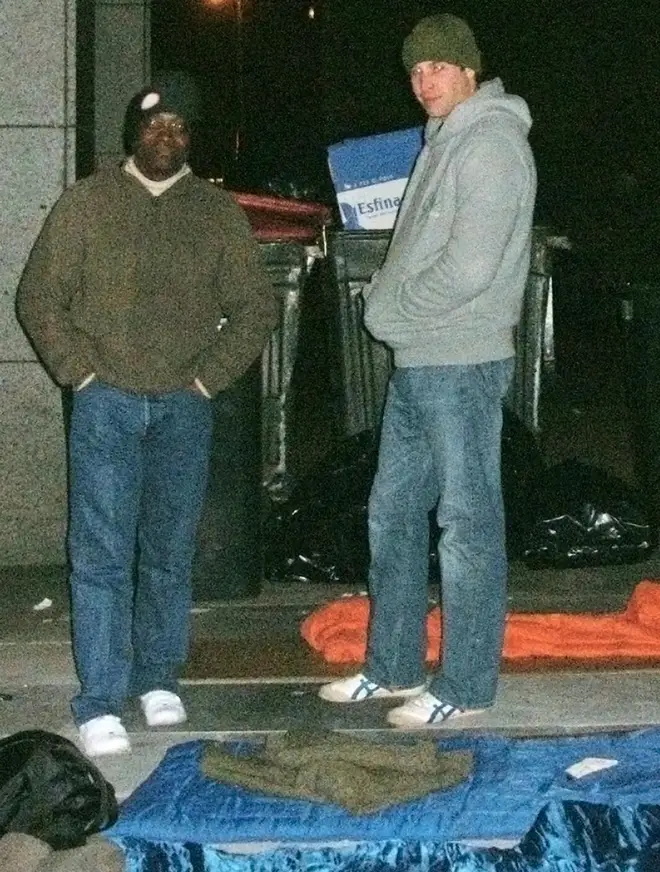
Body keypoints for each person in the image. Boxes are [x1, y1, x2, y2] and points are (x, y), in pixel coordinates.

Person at [16, 86, 279, 756]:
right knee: (101, 555)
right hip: (106, 404)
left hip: (182, 409)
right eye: (153, 123)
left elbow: (254, 306)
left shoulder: (217, 213)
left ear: (192, 138)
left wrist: (205, 379)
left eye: (179, 125)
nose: (166, 134)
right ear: (133, 132)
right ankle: (99, 699)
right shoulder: (87, 203)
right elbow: (38, 296)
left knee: (168, 551)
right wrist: (80, 372)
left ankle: (159, 677)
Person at [319, 13, 537, 726]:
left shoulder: (491, 146)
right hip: (421, 365)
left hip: (461, 362)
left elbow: (470, 269)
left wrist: (393, 313)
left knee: (468, 525)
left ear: (470, 70)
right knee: (392, 514)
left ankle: (467, 686)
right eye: (415, 71)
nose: (424, 82)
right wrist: (398, 315)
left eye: (438, 67)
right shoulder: (443, 143)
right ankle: (393, 667)